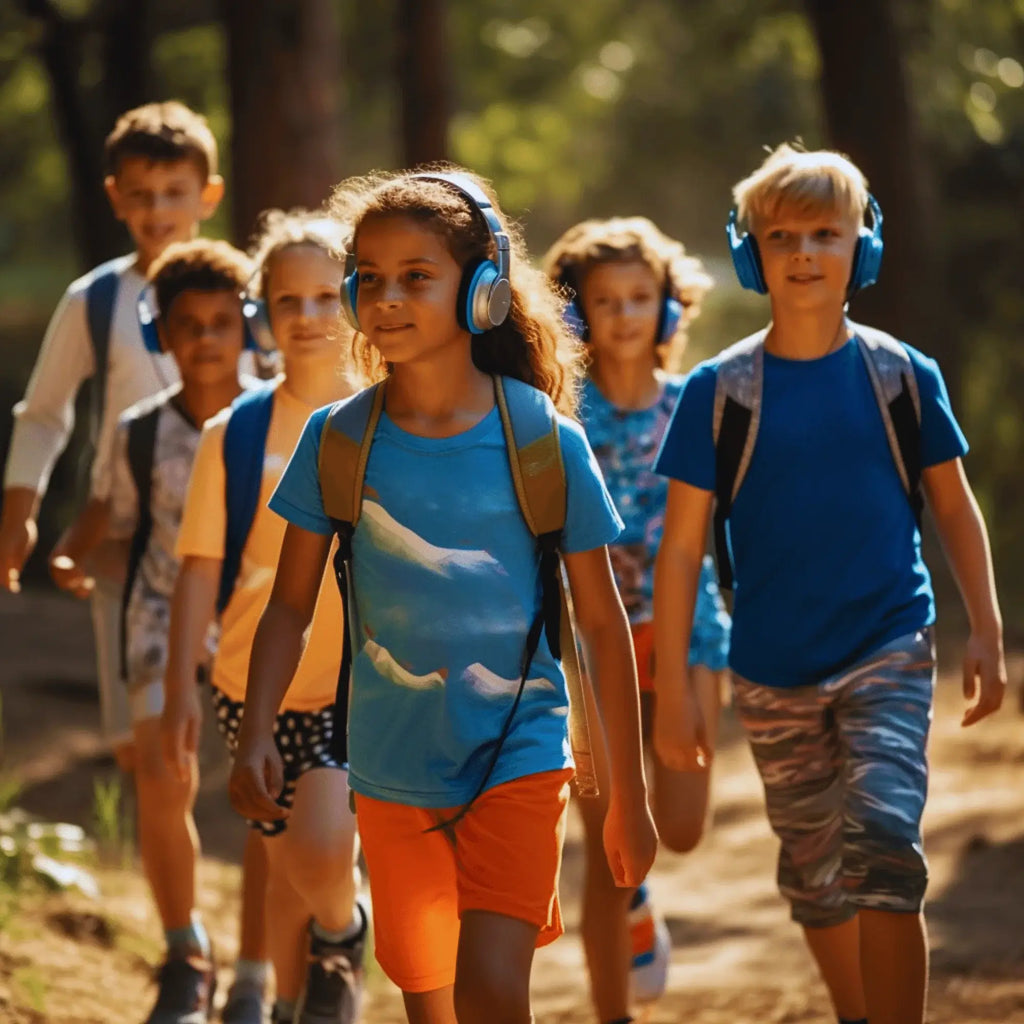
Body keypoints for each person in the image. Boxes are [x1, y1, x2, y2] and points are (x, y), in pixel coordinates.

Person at [230, 167, 658, 1024]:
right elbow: (288, 604)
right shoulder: (339, 439)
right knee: (431, 1005)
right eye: (371, 278)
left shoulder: (541, 437)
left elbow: (603, 628)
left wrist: (629, 799)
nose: (386, 298)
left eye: (416, 277)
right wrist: (256, 730)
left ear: (483, 292)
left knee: (492, 990)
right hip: (390, 766)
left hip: (520, 752)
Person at [653, 143, 1006, 1024]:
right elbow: (681, 548)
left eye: (825, 233)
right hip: (771, 668)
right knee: (816, 874)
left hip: (887, 642)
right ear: (751, 255)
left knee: (885, 848)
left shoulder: (901, 376)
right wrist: (669, 690)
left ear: (863, 248)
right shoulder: (718, 392)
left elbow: (955, 511)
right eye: (782, 236)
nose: (804, 252)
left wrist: (990, 632)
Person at [162, 209, 364, 1024]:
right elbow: (198, 571)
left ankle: (345, 934)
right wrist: (180, 688)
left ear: (353, 300)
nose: (309, 318)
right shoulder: (234, 434)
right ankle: (290, 1002)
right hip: (251, 683)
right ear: (265, 312)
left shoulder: (386, 419)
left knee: (319, 848)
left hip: (360, 686)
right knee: (284, 865)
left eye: (326, 297)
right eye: (290, 301)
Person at [51, 238, 257, 1023]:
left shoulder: (274, 418)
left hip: (252, 618)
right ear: (162, 336)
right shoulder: (138, 430)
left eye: (220, 322)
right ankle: (184, 951)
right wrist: (68, 554)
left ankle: (263, 968)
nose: (205, 339)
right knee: (158, 774)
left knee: (268, 788)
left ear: (245, 327)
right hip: (158, 612)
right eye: (187, 325)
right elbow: (109, 509)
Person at [0, 101, 224, 769]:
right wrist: (19, 514)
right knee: (145, 754)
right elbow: (43, 412)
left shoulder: (245, 296)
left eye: (174, 193)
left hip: (230, 543)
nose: (158, 210)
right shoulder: (94, 301)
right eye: (141, 195)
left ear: (207, 195)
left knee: (250, 745)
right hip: (124, 546)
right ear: (114, 198)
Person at [544, 217, 730, 1022]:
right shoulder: (555, 413)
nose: (624, 314)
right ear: (575, 314)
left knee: (681, 828)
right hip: (590, 646)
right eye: (604, 300)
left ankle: (643, 889)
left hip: (687, 634)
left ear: (668, 307)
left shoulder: (697, 404)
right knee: (608, 852)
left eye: (641, 297)